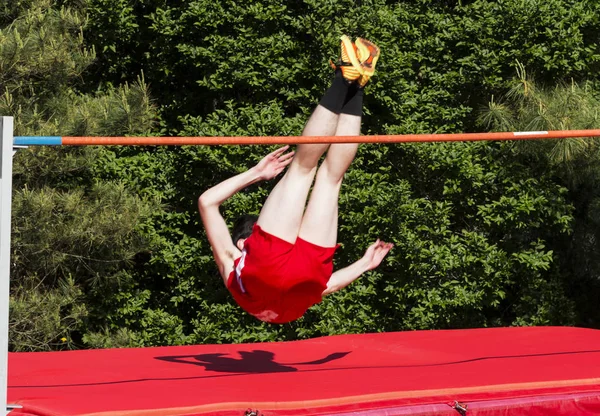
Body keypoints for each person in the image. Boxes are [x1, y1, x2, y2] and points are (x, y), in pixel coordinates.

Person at [198, 35, 393, 324]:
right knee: (304, 168)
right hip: (281, 270)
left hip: (304, 279)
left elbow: (329, 284)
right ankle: (347, 80)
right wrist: (256, 173)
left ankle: (356, 85)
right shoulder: (232, 259)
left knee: (330, 179)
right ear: (244, 243)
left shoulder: (235, 266)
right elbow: (206, 202)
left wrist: (364, 264)